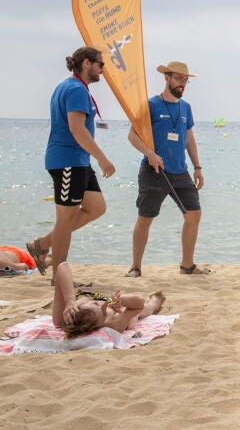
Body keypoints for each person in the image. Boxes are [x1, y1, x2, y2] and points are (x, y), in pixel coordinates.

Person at [26, 47, 116, 276]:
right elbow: (77, 129)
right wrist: (102, 158)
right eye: (100, 64)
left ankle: (41, 244)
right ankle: (60, 279)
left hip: (79, 161)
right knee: (64, 223)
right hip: (67, 161)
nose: (103, 70)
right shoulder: (75, 89)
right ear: (86, 63)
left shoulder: (71, 86)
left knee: (96, 207)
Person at [125, 62, 207, 278]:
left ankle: (187, 265)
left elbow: (189, 138)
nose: (182, 84)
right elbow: (132, 135)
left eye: (185, 80)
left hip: (180, 172)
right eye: (178, 78)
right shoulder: (150, 105)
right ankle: (135, 267)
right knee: (145, 218)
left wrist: (197, 167)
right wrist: (150, 154)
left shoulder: (185, 107)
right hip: (154, 171)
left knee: (194, 214)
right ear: (167, 78)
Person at [52, 262, 164, 338]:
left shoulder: (65, 315)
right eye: (104, 312)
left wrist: (70, 300)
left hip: (85, 297)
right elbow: (139, 304)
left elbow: (62, 266)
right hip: (118, 308)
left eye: (96, 303)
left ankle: (83, 296)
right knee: (145, 310)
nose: (103, 305)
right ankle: (156, 299)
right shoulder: (113, 323)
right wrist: (122, 301)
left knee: (59, 318)